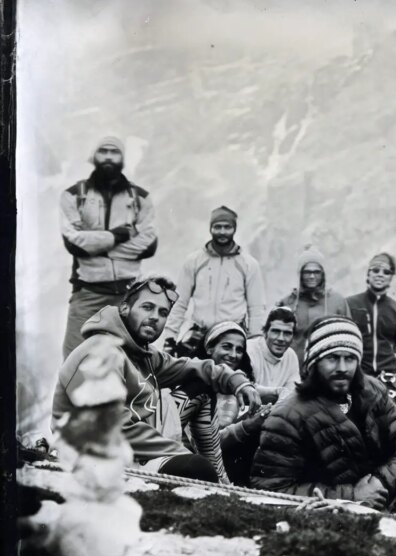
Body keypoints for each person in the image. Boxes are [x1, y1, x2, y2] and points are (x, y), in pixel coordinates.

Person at [52, 275, 261, 482]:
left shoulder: (145, 355)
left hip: (134, 454)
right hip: (94, 455)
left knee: (200, 385)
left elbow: (193, 367)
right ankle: (213, 482)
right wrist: (176, 452)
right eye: (147, 307)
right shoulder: (99, 353)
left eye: (163, 313)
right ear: (125, 308)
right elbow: (112, 427)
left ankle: (219, 480)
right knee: (196, 469)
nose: (155, 317)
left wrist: (238, 382)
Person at [250, 316, 396, 506]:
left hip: (389, 495)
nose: (342, 368)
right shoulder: (287, 416)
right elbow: (270, 490)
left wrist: (380, 482)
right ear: (314, 363)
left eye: (349, 358)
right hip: (332, 516)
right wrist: (352, 496)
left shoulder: (372, 391)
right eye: (332, 358)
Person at [60, 135, 158, 358]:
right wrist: (120, 235)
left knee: (133, 362)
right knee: (75, 361)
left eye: (114, 152)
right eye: (103, 151)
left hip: (128, 295)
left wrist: (95, 243)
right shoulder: (74, 196)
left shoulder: (140, 198)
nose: (108, 157)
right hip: (87, 293)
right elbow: (74, 244)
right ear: (93, 157)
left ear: (122, 159)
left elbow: (149, 245)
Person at [172, 321, 270, 484]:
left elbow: (279, 392)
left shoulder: (241, 385)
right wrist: (247, 426)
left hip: (228, 465)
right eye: (227, 347)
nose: (233, 355)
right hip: (192, 463)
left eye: (239, 350)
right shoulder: (192, 386)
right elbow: (205, 443)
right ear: (209, 348)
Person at [163, 206, 267, 345]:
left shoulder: (248, 264)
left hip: (232, 337)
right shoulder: (194, 261)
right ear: (210, 228)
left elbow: (256, 308)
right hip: (199, 335)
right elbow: (180, 302)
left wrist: (254, 343)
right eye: (217, 227)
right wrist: (170, 336)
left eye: (227, 227)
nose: (222, 232)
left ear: (234, 229)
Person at [346, 252, 396, 409]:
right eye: (375, 270)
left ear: (391, 278)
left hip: (388, 381)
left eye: (386, 272)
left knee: (385, 429)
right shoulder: (350, 305)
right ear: (368, 274)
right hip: (356, 377)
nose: (380, 275)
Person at [276, 245, 350, 355]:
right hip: (295, 364)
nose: (311, 276)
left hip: (326, 363)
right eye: (307, 272)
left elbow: (347, 336)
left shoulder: (337, 302)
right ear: (300, 274)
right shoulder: (288, 303)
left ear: (323, 274)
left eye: (316, 272)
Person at [247, 306, 302, 404]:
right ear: (265, 332)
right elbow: (247, 387)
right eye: (276, 331)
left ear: (293, 337)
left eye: (287, 333)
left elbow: (292, 391)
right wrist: (277, 391)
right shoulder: (249, 349)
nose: (281, 338)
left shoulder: (291, 355)